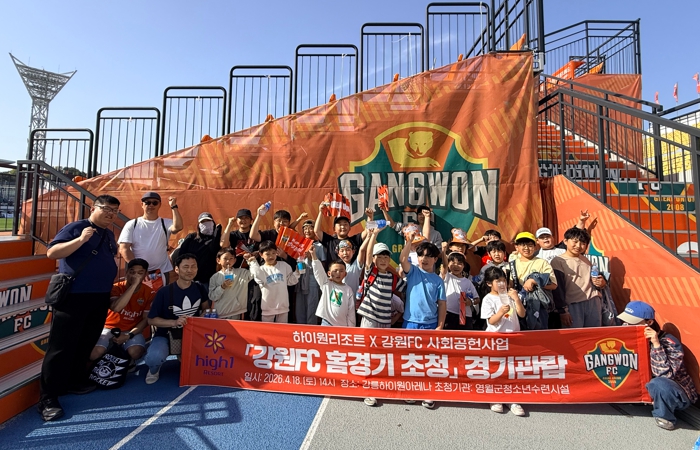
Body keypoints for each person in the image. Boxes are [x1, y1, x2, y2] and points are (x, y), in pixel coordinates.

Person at [38, 195, 121, 421]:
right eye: (107, 209)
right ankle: (47, 398)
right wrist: (81, 240)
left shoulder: (108, 234)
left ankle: (73, 381)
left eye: (115, 211)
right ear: (93, 208)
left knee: (86, 341)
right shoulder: (77, 228)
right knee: (61, 347)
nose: (111, 214)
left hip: (99, 297)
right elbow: (52, 253)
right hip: (74, 297)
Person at [617, 301, 698, 430]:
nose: (626, 326)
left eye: (632, 323)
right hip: (649, 384)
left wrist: (656, 345)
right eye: (625, 322)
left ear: (649, 323)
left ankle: (665, 417)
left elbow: (665, 375)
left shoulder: (669, 342)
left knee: (658, 383)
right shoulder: (630, 337)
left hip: (676, 390)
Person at [144, 253, 209, 384]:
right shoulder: (164, 292)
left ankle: (185, 356)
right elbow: (151, 320)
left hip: (192, 334)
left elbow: (206, 308)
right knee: (154, 357)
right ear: (177, 269)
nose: (190, 270)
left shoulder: (200, 287)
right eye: (186, 267)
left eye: (193, 266)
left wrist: (204, 316)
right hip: (166, 334)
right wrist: (174, 322)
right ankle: (154, 369)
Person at [399, 231, 446, 410]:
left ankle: (428, 392)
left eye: (428, 256)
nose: (424, 259)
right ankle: (411, 390)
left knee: (429, 360)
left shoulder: (438, 281)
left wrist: (440, 326)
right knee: (410, 359)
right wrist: (409, 241)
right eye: (421, 255)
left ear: (435, 259)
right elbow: (403, 259)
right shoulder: (413, 272)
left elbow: (442, 304)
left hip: (431, 324)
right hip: (410, 322)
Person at [480, 266, 526, 416]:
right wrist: (500, 312)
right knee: (496, 369)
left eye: (503, 280)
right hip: (496, 339)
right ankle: (495, 397)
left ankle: (512, 399)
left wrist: (516, 299)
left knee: (511, 369)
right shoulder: (488, 299)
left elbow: (522, 314)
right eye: (497, 281)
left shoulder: (510, 295)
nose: (502, 284)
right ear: (489, 283)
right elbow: (491, 321)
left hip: (513, 338)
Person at [90, 258, 154, 363]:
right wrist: (133, 286)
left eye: (140, 273)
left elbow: (145, 320)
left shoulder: (149, 293)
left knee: (136, 352)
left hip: (131, 330)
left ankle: (126, 361)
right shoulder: (116, 287)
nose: (135, 276)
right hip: (108, 327)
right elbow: (116, 308)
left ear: (145, 274)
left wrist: (129, 335)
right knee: (94, 354)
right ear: (126, 272)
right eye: (132, 272)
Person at [118, 192, 183, 283]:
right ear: (142, 205)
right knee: (137, 293)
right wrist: (139, 268)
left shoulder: (165, 223)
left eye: (155, 203)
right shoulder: (132, 224)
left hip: (162, 271)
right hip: (138, 273)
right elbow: (124, 249)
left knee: (162, 293)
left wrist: (173, 206)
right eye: (147, 202)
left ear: (159, 205)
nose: (151, 205)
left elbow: (178, 227)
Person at [550, 227, 607, 328]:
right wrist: (563, 311)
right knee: (574, 335)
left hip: (593, 302)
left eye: (583, 243)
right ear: (565, 241)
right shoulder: (558, 261)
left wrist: (602, 283)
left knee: (593, 334)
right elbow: (558, 289)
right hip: (572, 305)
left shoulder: (587, 260)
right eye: (575, 242)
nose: (578, 246)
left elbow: (595, 281)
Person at [221, 208, 262, 321]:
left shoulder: (256, 233)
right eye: (241, 218)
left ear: (251, 220)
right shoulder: (233, 235)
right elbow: (223, 245)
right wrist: (229, 224)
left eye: (246, 218)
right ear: (237, 220)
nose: (243, 220)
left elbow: (264, 250)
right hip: (237, 273)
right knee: (237, 299)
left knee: (254, 300)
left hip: (253, 274)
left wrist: (257, 254)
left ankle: (252, 323)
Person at [511, 231, 557, 329]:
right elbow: (508, 286)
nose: (526, 248)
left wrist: (534, 281)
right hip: (518, 305)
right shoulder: (511, 265)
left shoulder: (542, 263)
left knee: (539, 334)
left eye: (530, 245)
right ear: (516, 247)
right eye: (523, 245)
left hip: (539, 307)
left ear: (535, 247)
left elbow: (553, 285)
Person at [247, 241, 300, 323]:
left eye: (273, 253)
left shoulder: (284, 265)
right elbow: (258, 277)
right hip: (267, 308)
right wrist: (253, 262)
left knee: (282, 329)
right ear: (261, 254)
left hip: (283, 306)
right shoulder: (261, 269)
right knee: (267, 329)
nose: (271, 256)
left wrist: (297, 273)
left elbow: (290, 281)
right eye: (267, 254)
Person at [178, 212, 222, 290]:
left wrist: (217, 233)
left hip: (208, 279)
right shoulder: (192, 237)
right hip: (190, 278)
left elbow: (214, 249)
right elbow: (181, 255)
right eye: (203, 222)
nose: (206, 224)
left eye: (208, 221)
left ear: (213, 223)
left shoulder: (215, 238)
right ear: (199, 225)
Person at [310, 252, 355, 327]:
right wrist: (313, 254)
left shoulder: (348, 289)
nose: (338, 273)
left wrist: (351, 328)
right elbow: (318, 271)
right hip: (327, 323)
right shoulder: (326, 284)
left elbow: (351, 311)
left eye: (341, 271)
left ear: (345, 274)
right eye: (335, 271)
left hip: (343, 325)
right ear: (329, 273)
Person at [208, 247, 254, 320]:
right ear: (218, 260)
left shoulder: (242, 273)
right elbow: (212, 297)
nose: (228, 261)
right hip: (220, 313)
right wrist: (222, 287)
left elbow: (256, 275)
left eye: (231, 258)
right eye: (225, 258)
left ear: (235, 260)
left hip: (237, 312)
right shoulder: (215, 277)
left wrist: (252, 261)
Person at [440, 250, 479, 330]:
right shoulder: (447, 277)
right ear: (448, 264)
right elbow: (444, 266)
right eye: (453, 263)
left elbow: (477, 299)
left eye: (459, 263)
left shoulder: (468, 282)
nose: (456, 266)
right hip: (448, 313)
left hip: (465, 316)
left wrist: (470, 301)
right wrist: (444, 250)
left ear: (464, 266)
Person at [296, 220, 325, 325]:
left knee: (311, 305)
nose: (307, 230)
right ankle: (300, 328)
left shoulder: (319, 246)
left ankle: (310, 328)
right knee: (300, 306)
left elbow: (323, 265)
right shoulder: (299, 244)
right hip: (300, 277)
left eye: (310, 228)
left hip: (312, 278)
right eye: (305, 228)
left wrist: (312, 258)